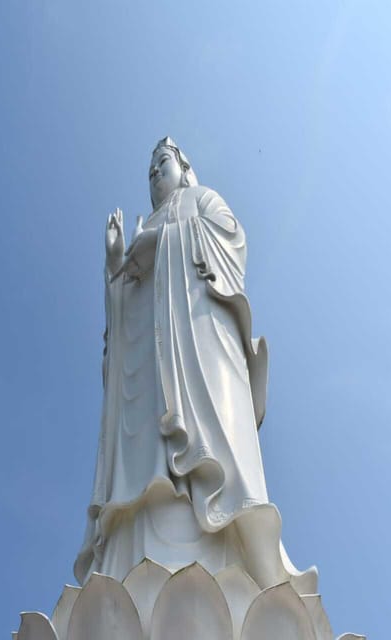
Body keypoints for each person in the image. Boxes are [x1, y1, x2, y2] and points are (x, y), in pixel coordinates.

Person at [74, 138, 315, 594]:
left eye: (161, 163)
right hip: (149, 379)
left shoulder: (201, 201)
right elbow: (120, 330)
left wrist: (164, 243)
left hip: (198, 343)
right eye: (148, 172)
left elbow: (231, 241)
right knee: (143, 462)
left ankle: (235, 567)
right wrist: (115, 270)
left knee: (215, 446)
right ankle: (130, 570)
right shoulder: (146, 227)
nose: (153, 176)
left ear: (185, 168)